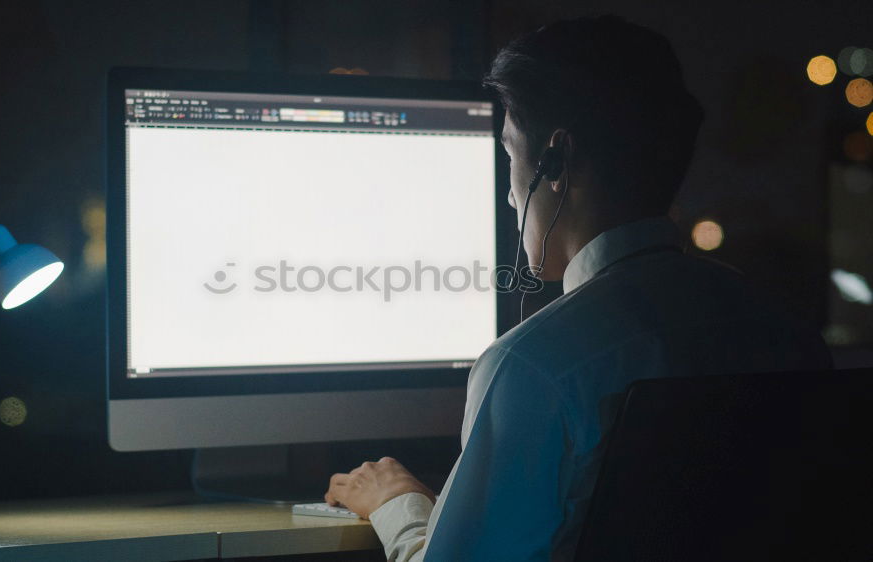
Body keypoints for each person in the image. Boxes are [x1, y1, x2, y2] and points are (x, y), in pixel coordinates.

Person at [324, 15, 832, 561]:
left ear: (556, 160)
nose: (513, 197)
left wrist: (397, 504)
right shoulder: (784, 333)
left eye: (510, 155)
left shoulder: (534, 366)